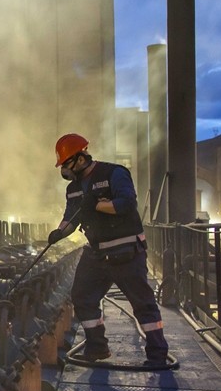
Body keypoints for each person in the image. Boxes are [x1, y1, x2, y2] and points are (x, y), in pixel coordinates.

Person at [47, 133, 169, 365]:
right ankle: (97, 347)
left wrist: (97, 205)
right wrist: (59, 233)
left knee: (142, 303)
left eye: (66, 164)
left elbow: (126, 204)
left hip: (126, 251)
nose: (64, 170)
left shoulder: (114, 173)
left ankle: (157, 354)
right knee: (82, 296)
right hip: (97, 253)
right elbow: (71, 216)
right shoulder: (73, 189)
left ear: (80, 158)